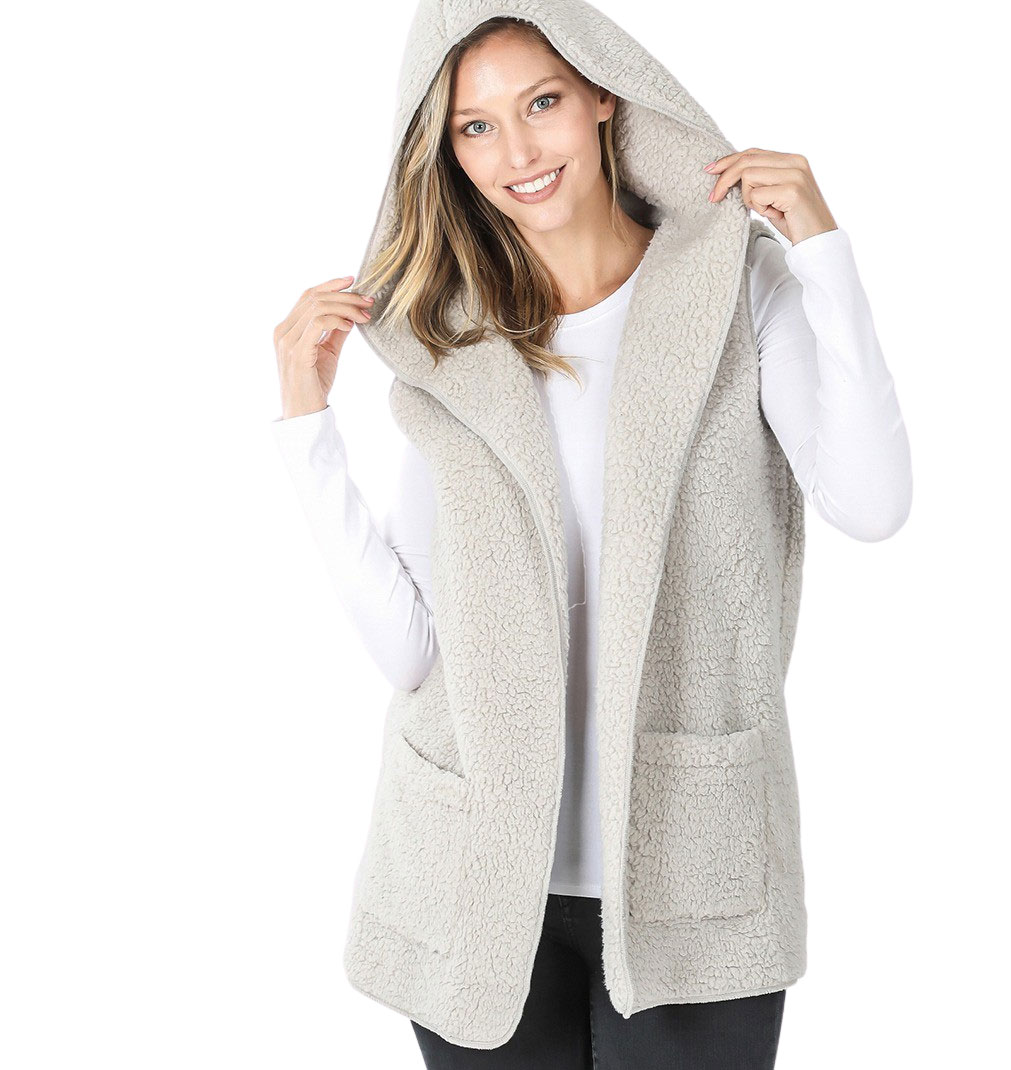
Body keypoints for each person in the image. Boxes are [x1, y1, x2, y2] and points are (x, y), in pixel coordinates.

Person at [271, 2, 912, 1066]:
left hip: (692, 868)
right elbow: (414, 653)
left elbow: (871, 503)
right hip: (478, 880)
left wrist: (823, 259)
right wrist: (305, 428)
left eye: (542, 103)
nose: (517, 153)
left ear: (605, 93)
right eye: (475, 127)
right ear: (444, 150)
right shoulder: (450, 337)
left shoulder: (732, 285)